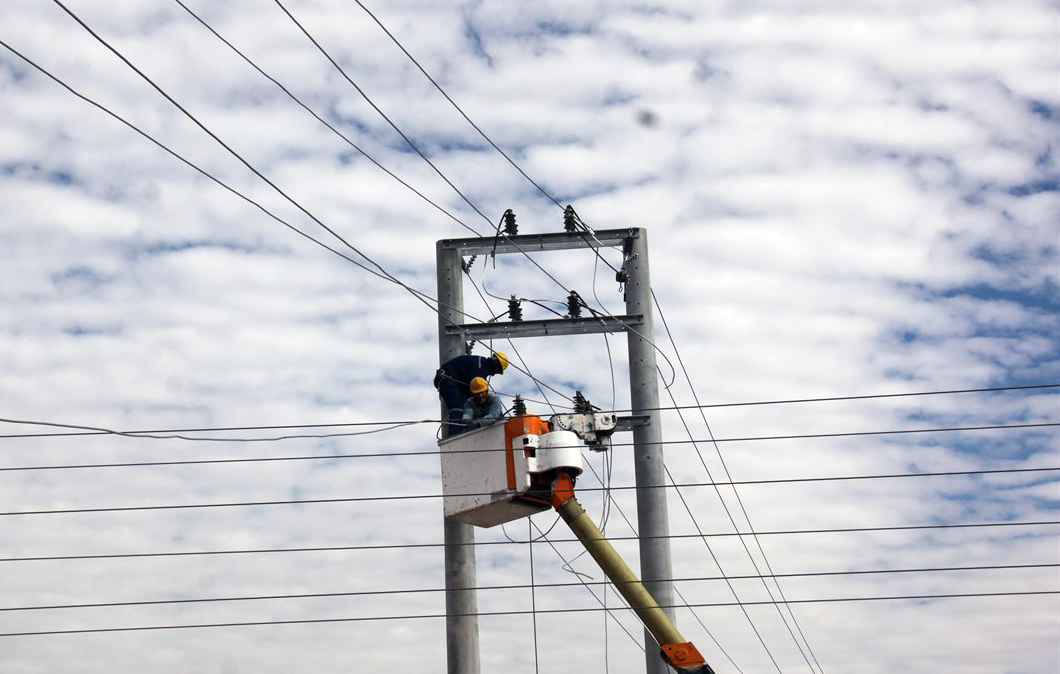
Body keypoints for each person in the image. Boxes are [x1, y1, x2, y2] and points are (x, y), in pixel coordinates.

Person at [434, 352, 508, 436]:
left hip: (450, 379)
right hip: (447, 379)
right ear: (496, 366)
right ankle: (455, 436)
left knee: (466, 405)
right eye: (497, 371)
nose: (493, 374)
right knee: (457, 407)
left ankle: (461, 433)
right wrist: (475, 421)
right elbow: (473, 399)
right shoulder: (480, 370)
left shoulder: (481, 364)